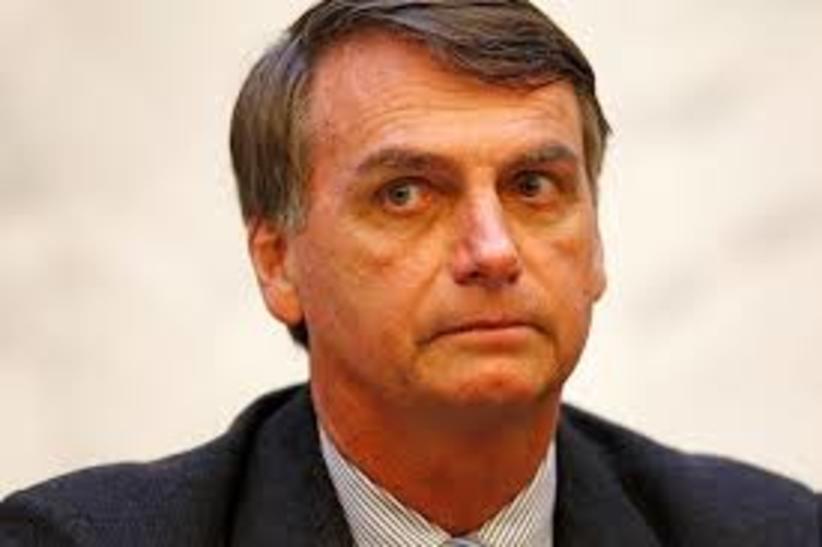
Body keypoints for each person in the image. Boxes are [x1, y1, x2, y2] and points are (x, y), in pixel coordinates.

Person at [1, 1, 819, 545]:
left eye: (534, 186)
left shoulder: (774, 533)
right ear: (277, 262)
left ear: (596, 244)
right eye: (405, 193)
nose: (494, 250)